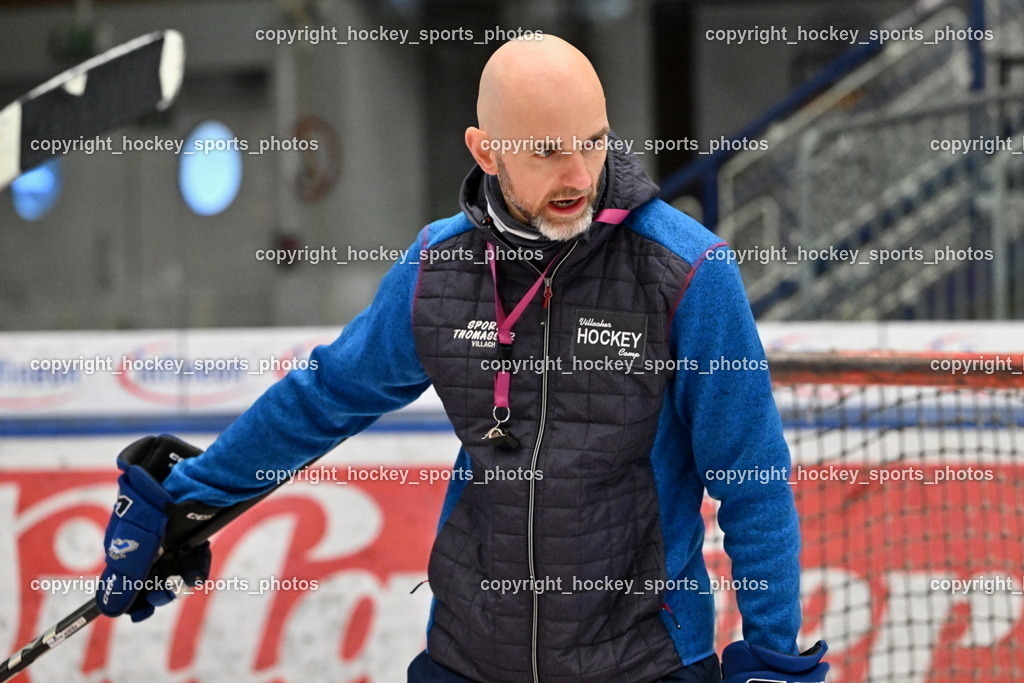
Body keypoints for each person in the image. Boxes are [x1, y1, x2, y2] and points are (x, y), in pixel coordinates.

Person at [97, 35, 828, 683]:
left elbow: (752, 480)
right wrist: (183, 499)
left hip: (645, 662)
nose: (580, 172)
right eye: (547, 150)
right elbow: (324, 398)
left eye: (595, 141)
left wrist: (771, 656)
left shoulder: (686, 273)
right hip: (468, 658)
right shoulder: (439, 270)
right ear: (487, 150)